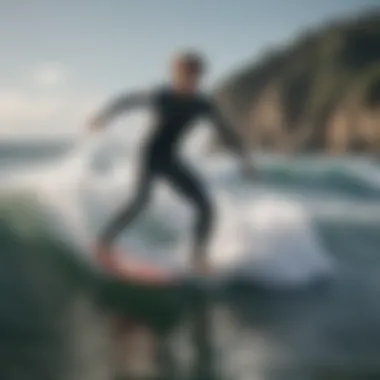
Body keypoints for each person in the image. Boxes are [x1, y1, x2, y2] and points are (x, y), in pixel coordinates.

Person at [87, 51, 255, 275]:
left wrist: (244, 160)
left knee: (205, 205)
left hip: (170, 158)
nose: (183, 79)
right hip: (149, 155)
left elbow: (227, 132)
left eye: (189, 75)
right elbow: (128, 100)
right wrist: (104, 115)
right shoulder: (161, 96)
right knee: (140, 202)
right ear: (174, 74)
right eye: (179, 74)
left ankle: (198, 257)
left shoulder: (202, 104)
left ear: (198, 76)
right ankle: (103, 243)